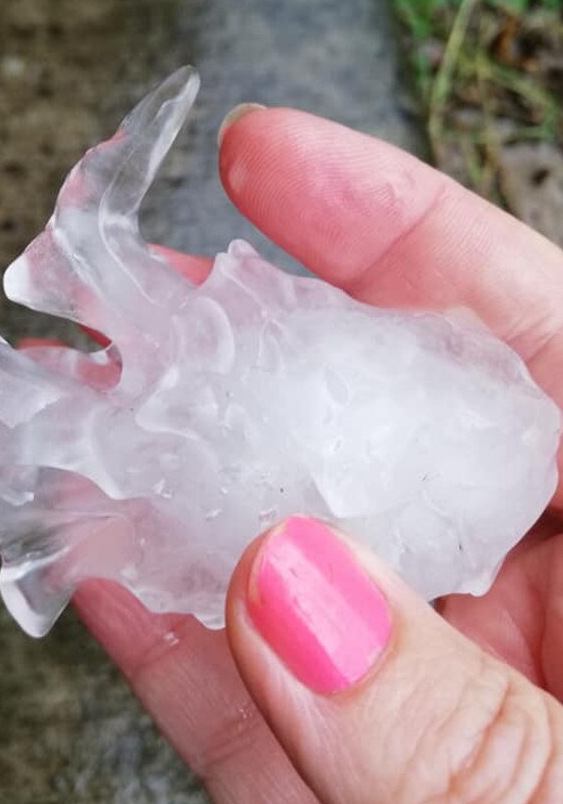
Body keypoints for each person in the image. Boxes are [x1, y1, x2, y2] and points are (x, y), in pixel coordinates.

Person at [75, 104, 563, 803]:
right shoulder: (457, 437)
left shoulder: (460, 467)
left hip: (274, 470)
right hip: (282, 441)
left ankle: (86, 303)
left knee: (155, 437)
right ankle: (89, 280)